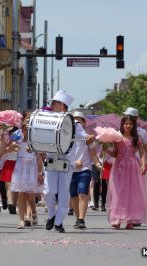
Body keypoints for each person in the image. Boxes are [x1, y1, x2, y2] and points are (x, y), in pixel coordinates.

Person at [44, 90, 92, 233]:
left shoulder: (73, 122)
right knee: (48, 191)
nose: (53, 105)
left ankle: (59, 222)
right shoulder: (48, 119)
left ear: (62, 105)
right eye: (53, 103)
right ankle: (51, 215)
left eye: (56, 103)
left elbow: (82, 135)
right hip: (52, 159)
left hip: (66, 161)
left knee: (64, 193)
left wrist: (89, 137)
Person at [105, 115, 147, 229]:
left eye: (130, 124)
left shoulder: (137, 138)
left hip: (132, 166)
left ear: (133, 125)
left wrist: (143, 165)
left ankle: (130, 219)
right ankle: (117, 218)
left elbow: (142, 153)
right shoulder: (117, 137)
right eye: (126, 123)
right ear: (122, 125)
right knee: (118, 191)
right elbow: (115, 153)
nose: (128, 125)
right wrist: (106, 149)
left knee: (132, 192)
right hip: (119, 167)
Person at [9, 119, 44, 228]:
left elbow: (39, 158)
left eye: (29, 129)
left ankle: (32, 213)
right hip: (20, 166)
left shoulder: (35, 141)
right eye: (25, 129)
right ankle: (22, 219)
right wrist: (13, 144)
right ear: (22, 130)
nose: (27, 131)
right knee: (21, 193)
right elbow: (8, 146)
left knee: (30, 194)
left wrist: (40, 173)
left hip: (31, 167)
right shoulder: (17, 138)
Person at [70, 111, 100, 229]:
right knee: (74, 195)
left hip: (85, 169)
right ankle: (78, 218)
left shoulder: (88, 138)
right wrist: (73, 163)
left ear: (84, 123)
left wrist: (98, 164)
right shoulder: (66, 138)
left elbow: (93, 155)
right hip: (70, 170)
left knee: (82, 193)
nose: (76, 123)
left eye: (79, 121)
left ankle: (82, 218)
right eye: (74, 121)